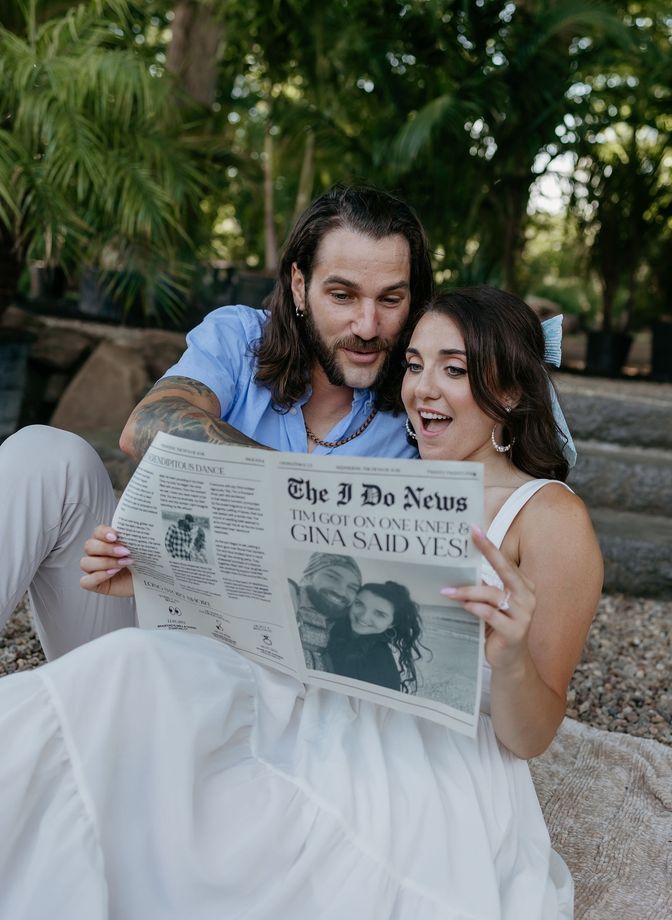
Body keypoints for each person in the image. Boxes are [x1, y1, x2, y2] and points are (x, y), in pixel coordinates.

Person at [0, 285, 603, 919]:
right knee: (130, 667)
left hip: (425, 770)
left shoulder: (549, 518)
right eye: (416, 365)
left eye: (453, 369)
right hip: (301, 707)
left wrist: (508, 659)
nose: (423, 389)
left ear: (507, 391)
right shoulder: (388, 481)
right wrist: (152, 572)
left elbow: (532, 735)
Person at [0, 184, 432, 659]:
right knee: (43, 454)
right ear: (299, 287)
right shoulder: (242, 338)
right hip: (151, 638)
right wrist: (303, 490)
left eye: (390, 300)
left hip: (284, 694)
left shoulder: (424, 409)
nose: (368, 326)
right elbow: (149, 424)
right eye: (343, 295)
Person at [326, 581, 425, 693]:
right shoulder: (336, 627)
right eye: (359, 604)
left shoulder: (379, 662)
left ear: (392, 623)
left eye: (379, 614)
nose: (364, 617)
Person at [288, 552, 363, 669]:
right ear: (309, 576)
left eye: (352, 588)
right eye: (332, 577)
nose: (341, 591)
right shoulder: (290, 599)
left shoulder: (345, 625)